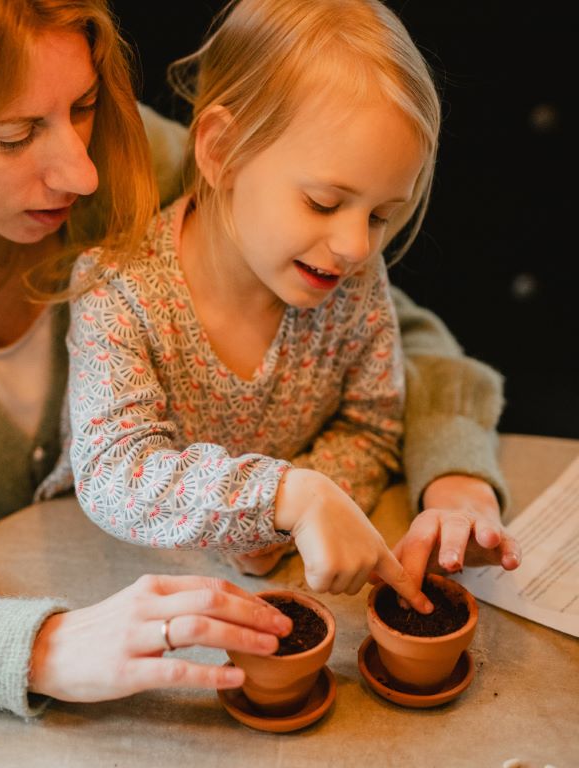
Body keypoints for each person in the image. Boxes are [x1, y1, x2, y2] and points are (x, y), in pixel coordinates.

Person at [0, 0, 516, 719]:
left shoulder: (139, 160)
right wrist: (37, 645)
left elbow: (386, 330)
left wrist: (456, 472)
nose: (84, 174)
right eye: (16, 135)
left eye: (84, 104)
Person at [39, 0, 521, 605]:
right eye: (322, 202)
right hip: (112, 591)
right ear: (222, 151)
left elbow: (370, 428)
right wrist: (284, 498)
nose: (353, 246)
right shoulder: (118, 291)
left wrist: (295, 515)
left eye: (380, 216)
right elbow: (115, 476)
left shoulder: (352, 283)